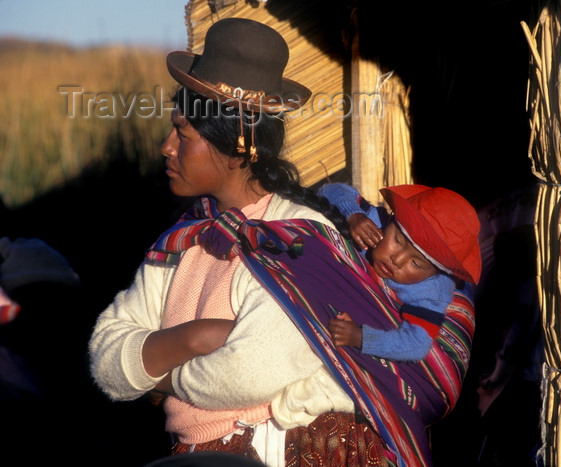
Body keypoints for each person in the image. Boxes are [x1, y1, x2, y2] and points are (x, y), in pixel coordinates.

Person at [89, 18, 475, 467]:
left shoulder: (299, 240)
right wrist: (195, 338)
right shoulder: (185, 238)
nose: (166, 147)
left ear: (237, 144)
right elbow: (106, 357)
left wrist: (157, 376)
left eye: (184, 133)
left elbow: (251, 371)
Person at [319, 183, 481, 362]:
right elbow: (331, 190)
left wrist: (361, 337)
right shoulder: (375, 223)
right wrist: (353, 215)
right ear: (391, 221)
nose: (397, 259)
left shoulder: (431, 292)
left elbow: (417, 345)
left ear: (434, 273)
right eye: (397, 240)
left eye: (416, 263)